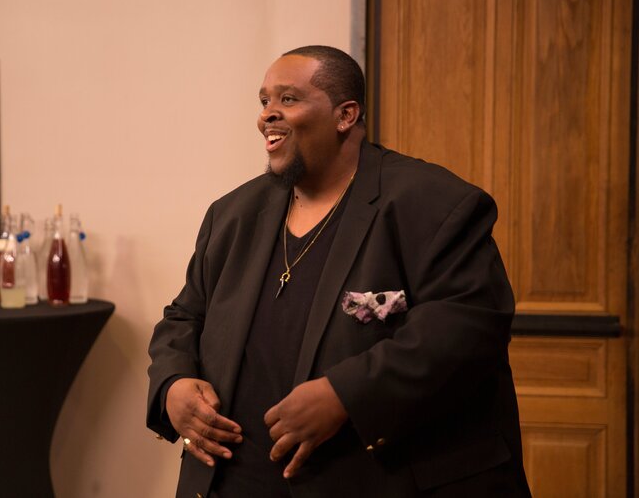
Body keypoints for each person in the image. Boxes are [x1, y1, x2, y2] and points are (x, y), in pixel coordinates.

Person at [147, 45, 531, 497]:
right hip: (233, 481)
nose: (268, 115)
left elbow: (466, 329)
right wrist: (172, 385)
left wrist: (345, 395)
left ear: (345, 115)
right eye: (264, 101)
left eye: (288, 99)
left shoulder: (432, 203)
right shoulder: (232, 214)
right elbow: (184, 316)